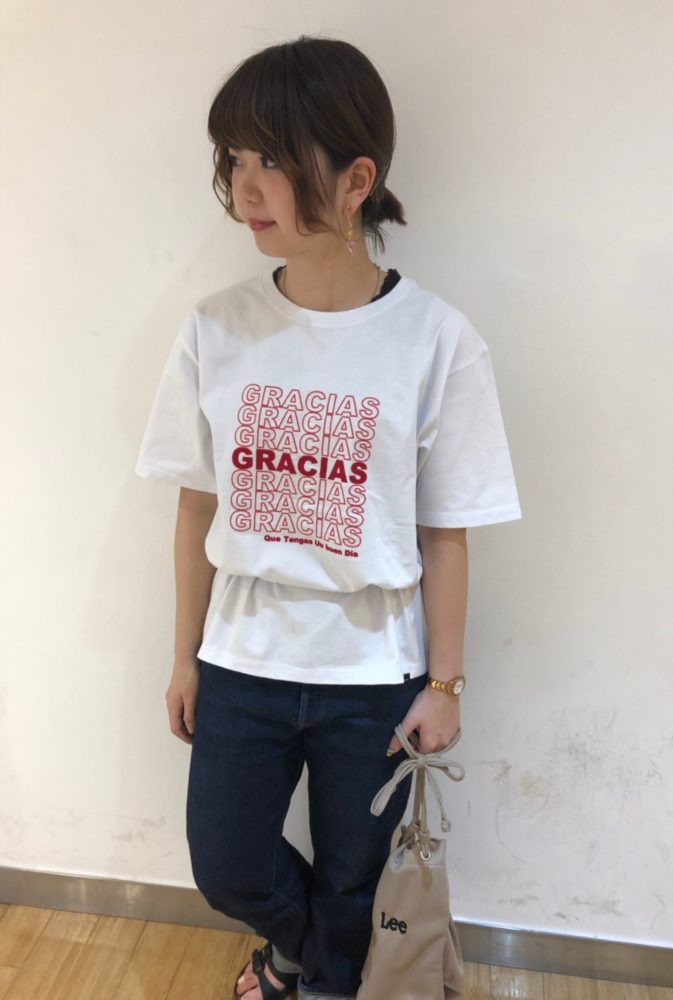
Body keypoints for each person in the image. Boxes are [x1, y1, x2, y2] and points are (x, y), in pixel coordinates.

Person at [134, 34, 522, 1000]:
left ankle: (308, 977)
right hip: (243, 659)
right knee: (228, 864)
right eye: (234, 157)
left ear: (357, 180)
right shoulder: (216, 329)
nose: (244, 186)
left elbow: (445, 533)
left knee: (355, 877)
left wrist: (447, 684)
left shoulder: (438, 341)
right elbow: (196, 507)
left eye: (272, 158)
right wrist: (184, 656)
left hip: (372, 674)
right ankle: (321, 964)